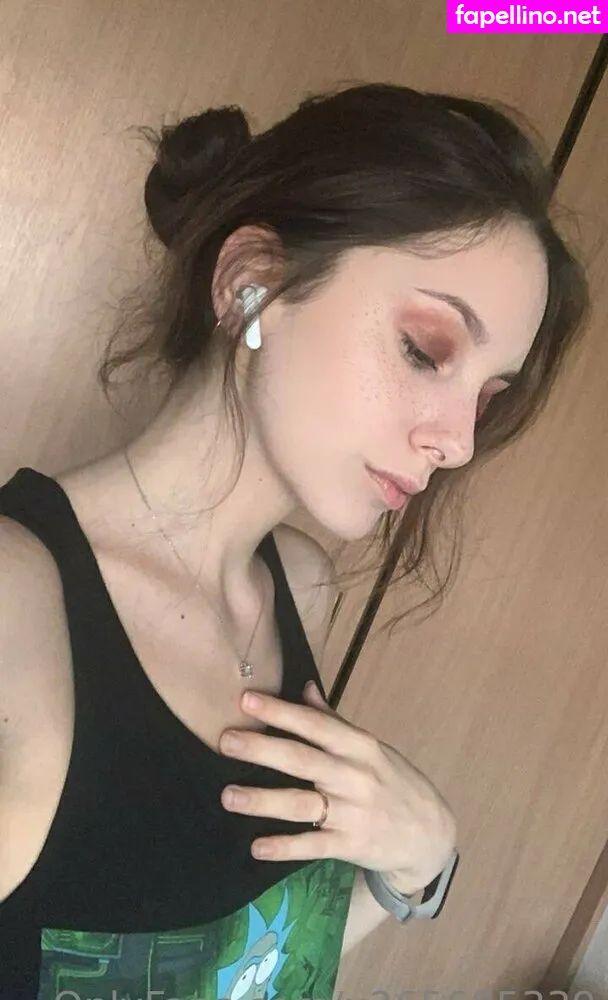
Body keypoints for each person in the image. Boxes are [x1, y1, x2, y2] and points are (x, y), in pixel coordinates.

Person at [0, 82, 588, 1000]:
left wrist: (416, 868)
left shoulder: (300, 590)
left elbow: (240, 966)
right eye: (426, 350)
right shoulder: (16, 609)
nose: (459, 443)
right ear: (253, 282)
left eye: (486, 396)